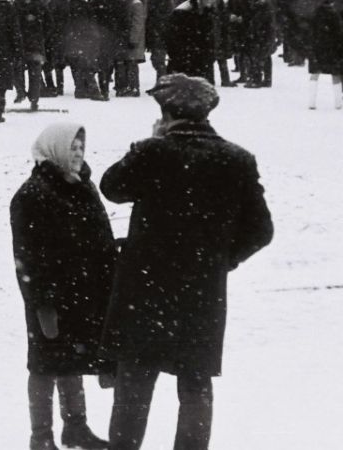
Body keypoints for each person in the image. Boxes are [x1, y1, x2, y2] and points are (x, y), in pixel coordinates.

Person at [100, 73, 274, 450]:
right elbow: (261, 231)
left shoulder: (153, 152)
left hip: (145, 289)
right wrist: (220, 260)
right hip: (201, 292)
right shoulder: (237, 159)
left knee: (134, 382)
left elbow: (111, 187)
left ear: (167, 114)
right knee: (195, 385)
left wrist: (147, 144)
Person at [12, 122, 115, 450]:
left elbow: (101, 236)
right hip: (51, 297)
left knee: (72, 359)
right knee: (44, 366)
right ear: (55, 148)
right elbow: (28, 256)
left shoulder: (84, 186)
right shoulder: (32, 194)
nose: (78, 153)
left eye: (81, 148)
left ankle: (76, 428)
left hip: (83, 293)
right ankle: (41, 437)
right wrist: (43, 303)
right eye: (72, 147)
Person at [307, 0, 343, 109]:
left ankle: (311, 102)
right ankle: (338, 103)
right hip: (332, 48)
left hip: (316, 47)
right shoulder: (334, 14)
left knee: (314, 73)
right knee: (336, 75)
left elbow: (310, 31)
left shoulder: (315, 13)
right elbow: (339, 33)